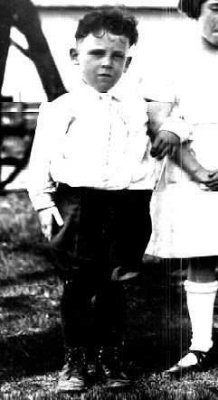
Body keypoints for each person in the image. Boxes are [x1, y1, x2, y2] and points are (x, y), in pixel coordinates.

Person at [27, 7, 188, 392]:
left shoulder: (137, 105)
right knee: (79, 284)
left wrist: (172, 129)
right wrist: (44, 204)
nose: (106, 64)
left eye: (117, 56)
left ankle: (110, 356)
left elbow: (177, 117)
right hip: (78, 205)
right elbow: (40, 161)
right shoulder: (61, 107)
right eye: (96, 54)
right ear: (75, 56)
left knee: (116, 283)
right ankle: (76, 360)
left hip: (128, 205)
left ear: (127, 61)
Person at [145, 0, 218, 376]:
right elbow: (159, 118)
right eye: (217, 7)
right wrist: (198, 170)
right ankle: (201, 344)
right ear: (196, 7)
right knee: (203, 254)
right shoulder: (172, 54)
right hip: (192, 165)